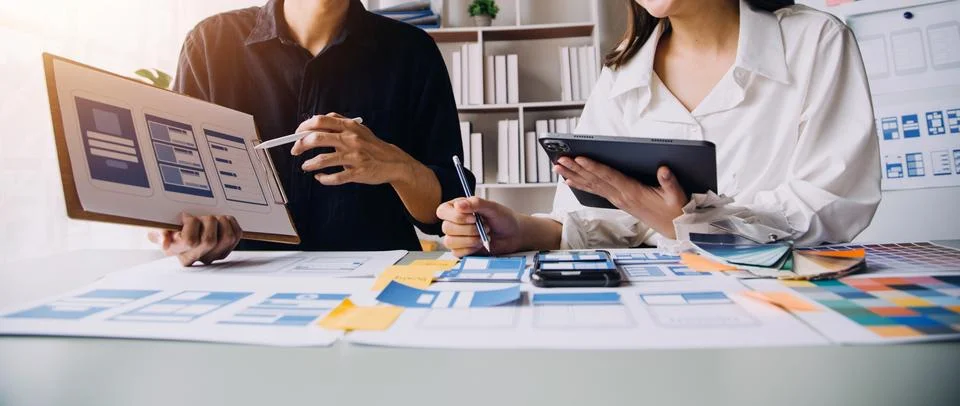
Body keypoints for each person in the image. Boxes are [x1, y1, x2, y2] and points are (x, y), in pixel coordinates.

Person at [437, 0, 881, 257]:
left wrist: (690, 222)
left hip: (788, 305)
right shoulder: (623, 73)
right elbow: (596, 220)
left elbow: (833, 201)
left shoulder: (815, 41)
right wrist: (519, 229)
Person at [147, 0, 471, 266]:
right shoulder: (210, 44)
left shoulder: (413, 52)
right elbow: (178, 197)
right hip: (239, 280)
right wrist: (185, 236)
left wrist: (396, 165)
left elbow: (444, 210)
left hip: (375, 286)